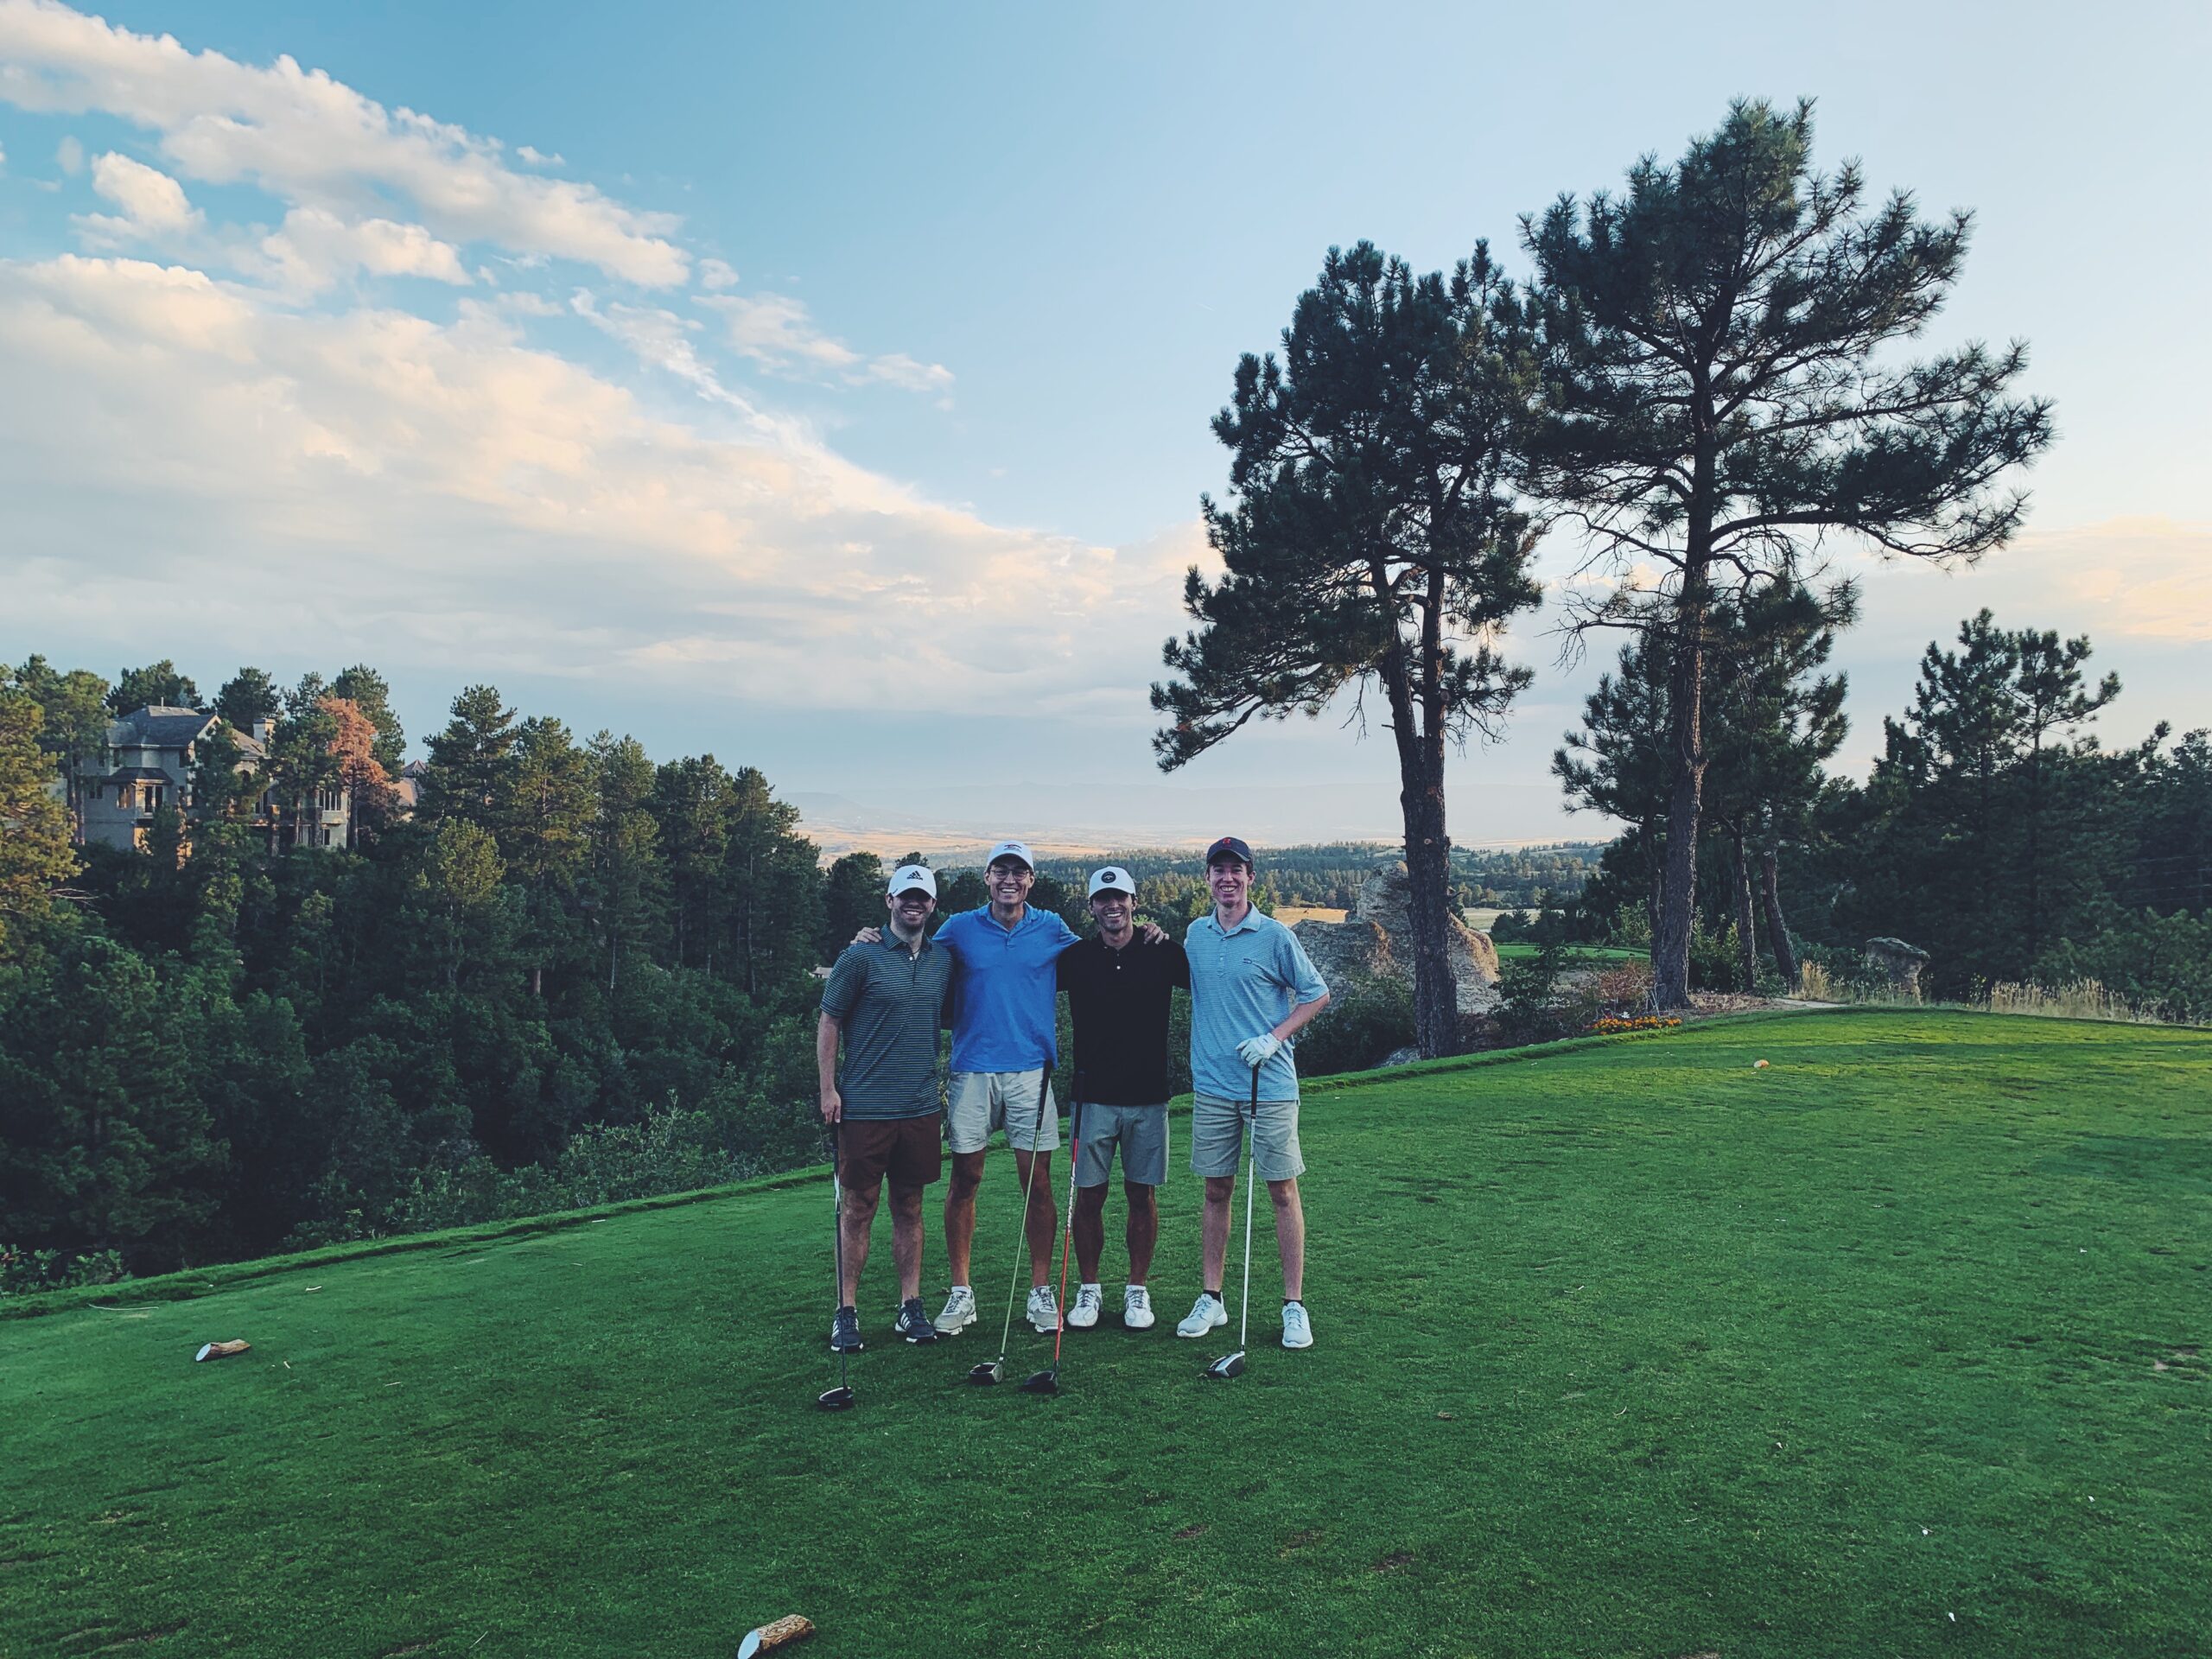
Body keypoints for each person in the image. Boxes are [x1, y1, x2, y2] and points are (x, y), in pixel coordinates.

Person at [1175, 836, 1332, 1351]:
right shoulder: (1195, 935)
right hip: (1214, 1086)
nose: (1227, 879)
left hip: (1270, 1084)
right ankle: (1212, 1298)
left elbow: (1317, 994)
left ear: (1250, 878)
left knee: (1281, 1191)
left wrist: (1274, 1037)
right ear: (1208, 879)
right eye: (1218, 870)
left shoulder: (1275, 936)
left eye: (1236, 870)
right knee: (1215, 1191)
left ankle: (1294, 1306)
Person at [930, 841, 1080, 1337]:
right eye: (1001, 871)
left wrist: (1147, 934)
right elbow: (914, 959)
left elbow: (1101, 954)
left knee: (1036, 1183)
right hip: (972, 1069)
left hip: (1030, 1072)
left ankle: (1041, 1291)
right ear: (987, 878)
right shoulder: (958, 928)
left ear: (1031, 880)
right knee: (965, 1180)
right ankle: (961, 1291)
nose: (1010, 879)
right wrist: (869, 938)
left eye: (1019, 871)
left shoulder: (1052, 928)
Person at [817, 863, 953, 1351]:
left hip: (918, 1106)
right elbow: (829, 1021)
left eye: (923, 898)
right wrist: (828, 1089)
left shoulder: (942, 961)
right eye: (905, 896)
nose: (914, 904)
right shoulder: (860, 957)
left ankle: (910, 1305)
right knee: (857, 1207)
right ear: (890, 901)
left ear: (933, 906)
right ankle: (846, 1311)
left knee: (910, 1207)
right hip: (865, 1106)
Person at [1054, 866, 1189, 1332]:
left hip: (1148, 1096)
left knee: (1141, 1194)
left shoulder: (1164, 952)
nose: (1113, 906)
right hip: (1092, 1098)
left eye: (1121, 898)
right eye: (1103, 899)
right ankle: (1089, 1289)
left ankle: (1136, 1289)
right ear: (1091, 907)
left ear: (1135, 902)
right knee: (1088, 1196)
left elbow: (1217, 985)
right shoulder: (1074, 958)